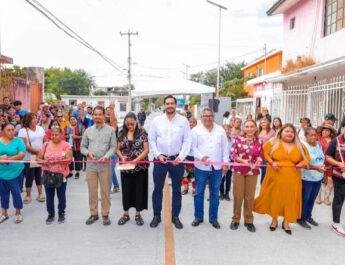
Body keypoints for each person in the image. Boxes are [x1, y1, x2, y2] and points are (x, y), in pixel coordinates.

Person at [254, 124, 310, 235]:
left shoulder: (300, 145)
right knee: (276, 198)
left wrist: (301, 163)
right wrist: (271, 162)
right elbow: (264, 152)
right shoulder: (273, 142)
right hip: (275, 176)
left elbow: (307, 158)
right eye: (287, 131)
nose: (289, 133)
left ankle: (286, 222)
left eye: (292, 132)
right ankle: (274, 220)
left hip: (293, 178)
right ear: (281, 132)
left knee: (289, 199)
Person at [148, 95, 192, 229]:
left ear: (175, 105)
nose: (170, 106)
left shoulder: (183, 121)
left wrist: (182, 157)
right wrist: (157, 154)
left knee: (177, 190)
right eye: (167, 104)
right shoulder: (157, 121)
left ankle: (175, 217)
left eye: (172, 103)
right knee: (157, 189)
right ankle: (156, 215)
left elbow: (187, 140)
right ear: (164, 105)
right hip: (160, 160)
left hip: (177, 160)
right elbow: (152, 140)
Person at [191, 108, 228, 229]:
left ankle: (214, 218)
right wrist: (201, 157)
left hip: (217, 167)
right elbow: (193, 148)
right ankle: (198, 217)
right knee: (199, 193)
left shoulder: (220, 130)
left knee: (214, 194)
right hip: (201, 167)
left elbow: (225, 148)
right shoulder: (196, 130)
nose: (207, 118)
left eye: (210, 116)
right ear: (201, 117)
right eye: (205, 116)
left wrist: (225, 163)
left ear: (213, 117)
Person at [81, 106, 117, 226]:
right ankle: (94, 214)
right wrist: (88, 153)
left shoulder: (111, 130)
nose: (97, 117)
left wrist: (106, 156)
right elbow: (82, 147)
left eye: (100, 114)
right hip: (91, 166)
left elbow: (113, 147)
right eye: (95, 114)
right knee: (92, 191)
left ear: (104, 115)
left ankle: (105, 214)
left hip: (105, 165)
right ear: (92, 116)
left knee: (105, 191)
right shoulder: (88, 131)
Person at [230, 120, 264, 232]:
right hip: (239, 171)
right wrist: (242, 161)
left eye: (252, 126)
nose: (249, 129)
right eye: (247, 126)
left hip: (252, 172)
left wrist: (259, 162)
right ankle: (235, 219)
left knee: (249, 197)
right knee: (238, 196)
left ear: (255, 128)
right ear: (244, 128)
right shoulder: (238, 139)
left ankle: (249, 220)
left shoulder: (259, 141)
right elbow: (233, 153)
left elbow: (261, 155)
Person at [116, 112, 149, 226]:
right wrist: (122, 157)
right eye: (128, 124)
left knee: (138, 190)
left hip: (139, 167)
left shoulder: (142, 132)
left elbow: (146, 150)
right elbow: (117, 149)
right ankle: (126, 214)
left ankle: (138, 214)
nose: (130, 126)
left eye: (132, 124)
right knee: (126, 190)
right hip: (126, 167)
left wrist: (136, 160)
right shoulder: (121, 132)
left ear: (136, 122)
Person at [37, 126, 72, 224]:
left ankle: (61, 213)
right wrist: (43, 161)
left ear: (61, 135)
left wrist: (57, 161)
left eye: (57, 135)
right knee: (49, 196)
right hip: (47, 174)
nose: (54, 136)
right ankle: (50, 214)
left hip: (61, 175)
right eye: (52, 135)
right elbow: (38, 158)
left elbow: (69, 159)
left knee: (61, 195)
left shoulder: (66, 145)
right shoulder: (45, 145)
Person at [297, 127, 326, 229]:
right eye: (311, 135)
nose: (313, 137)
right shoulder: (303, 146)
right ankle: (301, 218)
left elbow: (322, 159)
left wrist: (322, 170)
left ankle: (308, 216)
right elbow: (301, 163)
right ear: (305, 137)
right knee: (305, 198)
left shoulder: (319, 145)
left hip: (318, 177)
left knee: (312, 198)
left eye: (315, 135)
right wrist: (316, 168)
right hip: (306, 178)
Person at [0, 123, 26, 224]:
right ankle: (4, 213)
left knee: (16, 193)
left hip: (16, 172)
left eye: (12, 129)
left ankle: (18, 213)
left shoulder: (18, 141)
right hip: (1, 173)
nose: (11, 132)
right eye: (8, 130)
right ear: (2, 131)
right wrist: (1, 158)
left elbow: (22, 154)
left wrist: (8, 159)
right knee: (3, 194)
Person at [18, 113, 46, 204]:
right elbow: (24, 145)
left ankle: (40, 193)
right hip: (29, 157)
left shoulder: (40, 128)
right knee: (29, 176)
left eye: (35, 118)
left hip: (40, 156)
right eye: (33, 118)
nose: (35, 120)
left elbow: (45, 140)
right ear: (28, 120)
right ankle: (28, 195)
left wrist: (43, 151)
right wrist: (38, 152)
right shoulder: (23, 131)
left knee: (39, 174)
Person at [325, 118, 345, 236]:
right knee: (339, 199)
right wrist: (338, 164)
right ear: (343, 128)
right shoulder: (336, 141)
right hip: (339, 176)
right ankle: (336, 223)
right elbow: (328, 156)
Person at [316, 124, 337, 205]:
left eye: (327, 130)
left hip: (330, 163)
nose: (324, 131)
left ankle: (326, 198)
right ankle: (317, 196)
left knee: (330, 181)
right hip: (319, 163)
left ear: (331, 132)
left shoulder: (334, 140)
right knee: (318, 180)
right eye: (323, 130)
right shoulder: (318, 138)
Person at [182, 116, 197, 195]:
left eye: (193, 122)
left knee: (193, 175)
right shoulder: (185, 132)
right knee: (185, 174)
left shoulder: (198, 133)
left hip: (194, 157)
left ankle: (194, 190)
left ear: (196, 124)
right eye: (190, 122)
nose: (191, 124)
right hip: (186, 156)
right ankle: (185, 188)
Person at [258, 117, 276, 183]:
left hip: (268, 153)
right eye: (261, 123)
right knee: (261, 169)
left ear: (268, 123)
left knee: (265, 170)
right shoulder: (258, 131)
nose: (263, 124)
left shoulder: (272, 132)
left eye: (264, 122)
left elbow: (275, 142)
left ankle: (263, 183)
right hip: (259, 153)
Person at [220, 124, 234, 201]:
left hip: (230, 161)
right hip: (221, 161)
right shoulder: (220, 140)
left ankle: (227, 193)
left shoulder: (233, 141)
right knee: (222, 178)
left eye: (229, 130)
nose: (227, 131)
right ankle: (221, 193)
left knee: (228, 178)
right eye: (225, 130)